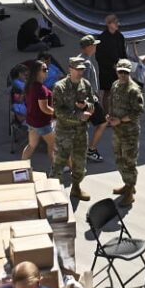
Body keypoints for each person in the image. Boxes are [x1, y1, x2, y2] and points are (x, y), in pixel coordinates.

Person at [51, 56, 95, 200]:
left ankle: (76, 188)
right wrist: (78, 116)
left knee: (80, 163)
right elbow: (58, 112)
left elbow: (93, 103)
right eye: (77, 69)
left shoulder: (86, 85)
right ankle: (51, 195)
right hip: (65, 132)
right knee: (59, 163)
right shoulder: (60, 87)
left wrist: (87, 107)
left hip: (81, 132)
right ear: (70, 69)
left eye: (82, 69)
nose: (80, 72)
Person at [107, 59, 144, 207]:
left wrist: (120, 120)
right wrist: (109, 115)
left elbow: (138, 112)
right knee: (119, 159)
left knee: (129, 161)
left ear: (130, 72)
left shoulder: (133, 90)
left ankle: (130, 192)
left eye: (125, 72)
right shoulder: (115, 85)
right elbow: (112, 102)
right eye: (120, 71)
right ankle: (127, 185)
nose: (122, 74)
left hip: (129, 132)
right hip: (117, 130)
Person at [92, 14, 126, 162]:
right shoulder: (102, 38)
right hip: (107, 70)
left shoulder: (120, 36)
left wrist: (123, 64)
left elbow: (123, 52)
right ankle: (108, 115)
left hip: (118, 69)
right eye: (115, 22)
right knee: (107, 93)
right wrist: (110, 66)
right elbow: (99, 56)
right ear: (109, 24)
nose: (117, 24)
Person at [21, 61, 55, 162]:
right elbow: (44, 108)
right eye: (44, 69)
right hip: (42, 123)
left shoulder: (30, 86)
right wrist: (57, 112)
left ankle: (21, 167)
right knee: (53, 145)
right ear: (37, 72)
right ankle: (56, 169)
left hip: (32, 122)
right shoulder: (41, 90)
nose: (47, 71)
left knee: (31, 145)